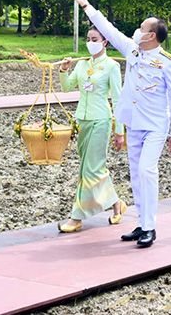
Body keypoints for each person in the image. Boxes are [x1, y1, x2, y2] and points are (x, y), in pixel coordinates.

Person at [65, 0, 171, 248]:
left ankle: (150, 227)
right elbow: (108, 30)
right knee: (136, 174)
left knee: (147, 170)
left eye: (142, 28)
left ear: (152, 35)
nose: (136, 31)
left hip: (156, 126)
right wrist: (86, 5)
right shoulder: (132, 50)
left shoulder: (167, 62)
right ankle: (141, 223)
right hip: (135, 123)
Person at [56, 26, 127, 233]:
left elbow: (118, 98)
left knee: (90, 169)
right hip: (83, 120)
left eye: (94, 38)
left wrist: (119, 130)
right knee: (91, 168)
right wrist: (63, 70)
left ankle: (76, 217)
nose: (90, 42)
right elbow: (67, 87)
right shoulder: (81, 64)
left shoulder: (111, 66)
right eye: (88, 38)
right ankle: (116, 203)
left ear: (105, 42)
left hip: (101, 120)